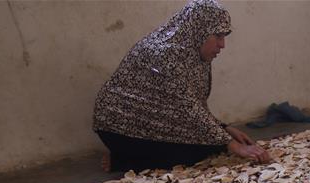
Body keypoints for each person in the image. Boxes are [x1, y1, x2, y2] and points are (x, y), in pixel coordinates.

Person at [93, 0, 270, 172]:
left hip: (153, 121)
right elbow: (187, 108)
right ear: (199, 30)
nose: (222, 45)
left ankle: (130, 155)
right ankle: (123, 159)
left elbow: (194, 103)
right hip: (119, 126)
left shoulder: (194, 52)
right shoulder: (166, 54)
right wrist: (231, 144)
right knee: (200, 151)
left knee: (207, 141)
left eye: (224, 36)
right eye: (217, 35)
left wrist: (225, 128)